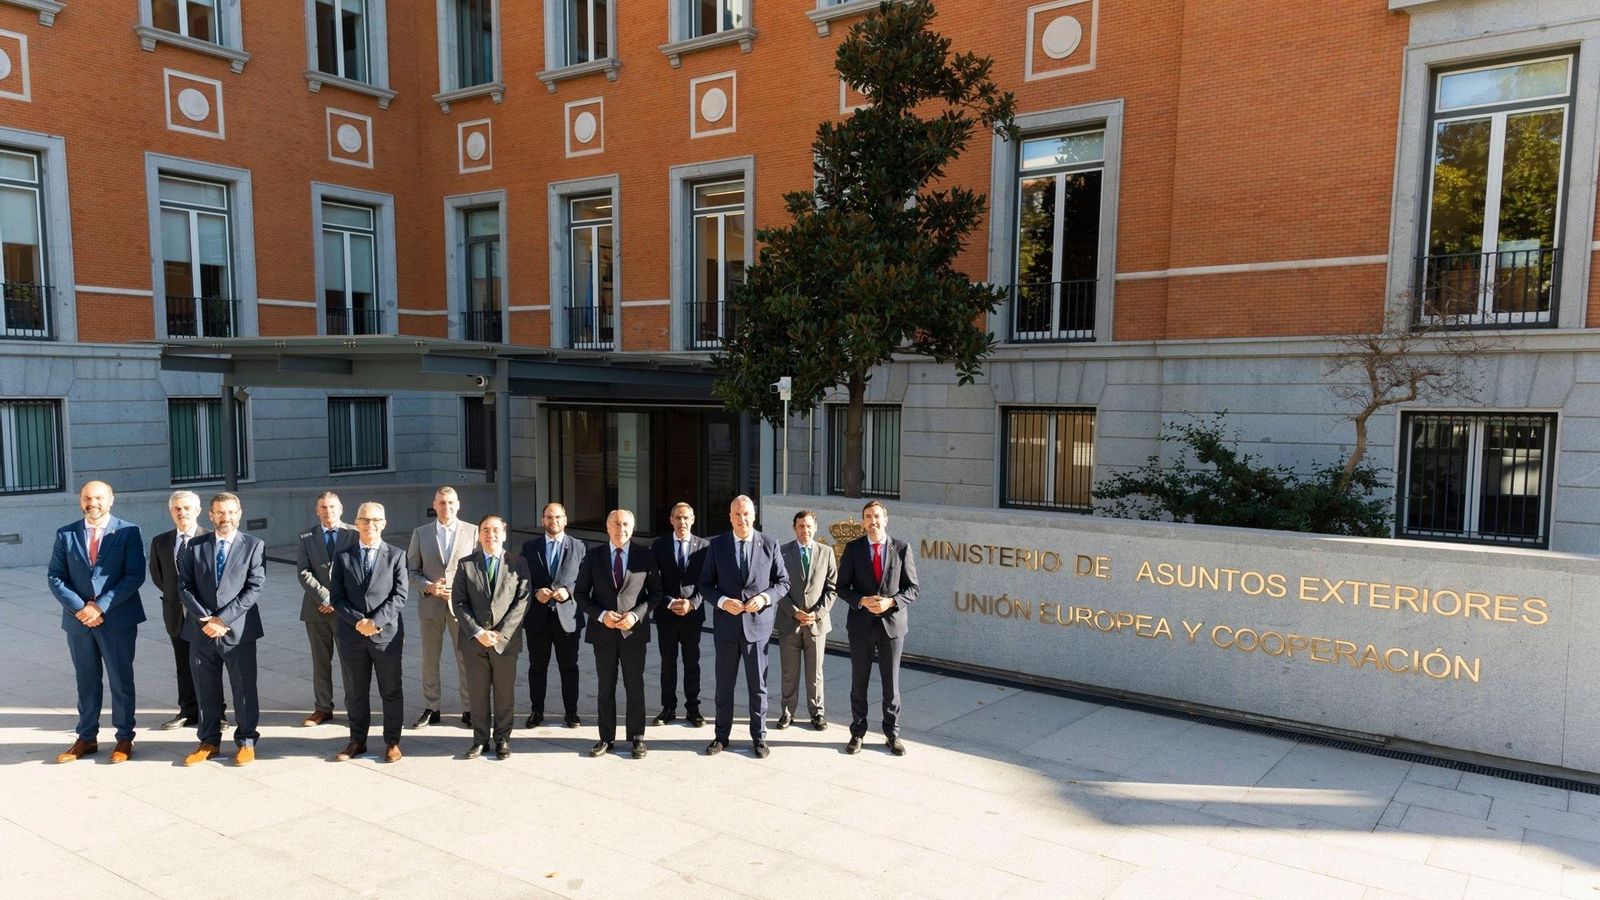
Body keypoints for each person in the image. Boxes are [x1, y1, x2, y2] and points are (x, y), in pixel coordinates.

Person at [47, 480, 146, 764]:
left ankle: (125, 738)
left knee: (120, 680)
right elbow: (55, 576)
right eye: (87, 498)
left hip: (118, 619)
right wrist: (82, 608)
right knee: (86, 681)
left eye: (99, 497)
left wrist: (100, 606)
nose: (93, 503)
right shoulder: (66, 534)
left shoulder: (128, 531)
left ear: (111, 500)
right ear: (81, 501)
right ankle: (86, 738)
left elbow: (134, 575)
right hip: (79, 622)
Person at [178, 491, 266, 766]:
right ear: (211, 515)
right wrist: (206, 618)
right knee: (206, 689)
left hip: (237, 631)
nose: (225, 517)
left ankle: (247, 740)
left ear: (239, 514)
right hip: (201, 631)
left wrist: (222, 620)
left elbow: (254, 587)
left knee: (243, 688)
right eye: (219, 512)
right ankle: (208, 741)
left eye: (230, 512)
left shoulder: (253, 545)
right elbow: (184, 585)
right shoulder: (195, 545)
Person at [697, 495, 789, 758]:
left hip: (757, 628)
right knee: (724, 686)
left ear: (754, 515)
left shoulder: (770, 544)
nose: (742, 518)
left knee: (757, 687)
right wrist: (723, 602)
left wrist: (765, 598)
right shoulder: (717, 545)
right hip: (726, 628)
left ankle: (759, 738)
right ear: (730, 517)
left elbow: (783, 582)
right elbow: (705, 584)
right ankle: (721, 736)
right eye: (737, 514)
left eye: (746, 513)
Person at [574, 508, 659, 759]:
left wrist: (635, 615)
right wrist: (601, 616)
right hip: (604, 633)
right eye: (615, 524)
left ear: (632, 528)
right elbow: (580, 594)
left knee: (635, 686)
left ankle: (637, 737)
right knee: (605, 687)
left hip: (633, 633)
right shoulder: (593, 556)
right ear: (607, 527)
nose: (620, 528)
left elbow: (655, 594)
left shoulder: (645, 556)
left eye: (625, 524)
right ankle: (605, 738)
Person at [835, 500, 918, 756]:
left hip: (891, 626)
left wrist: (891, 602)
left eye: (877, 516)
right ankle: (857, 732)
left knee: (890, 684)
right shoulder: (853, 549)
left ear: (886, 519)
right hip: (861, 626)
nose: (873, 521)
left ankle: (892, 733)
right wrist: (861, 600)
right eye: (868, 517)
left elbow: (912, 588)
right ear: (863, 521)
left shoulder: (902, 548)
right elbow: (841, 588)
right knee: (859, 681)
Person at [330, 501, 408, 763]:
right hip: (351, 636)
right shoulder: (342, 556)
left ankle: (393, 742)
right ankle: (357, 740)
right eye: (365, 520)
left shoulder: (396, 555)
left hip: (385, 635)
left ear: (384, 524)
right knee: (355, 691)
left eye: (376, 520)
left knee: (391, 689)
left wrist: (374, 622)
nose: (370, 525)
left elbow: (400, 595)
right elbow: (337, 597)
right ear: (356, 523)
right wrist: (358, 622)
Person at [453, 515, 531, 760]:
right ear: (479, 535)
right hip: (474, 642)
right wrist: (478, 632)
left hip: (505, 642)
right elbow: (459, 602)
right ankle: (479, 740)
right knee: (477, 694)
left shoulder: (518, 563)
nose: (491, 534)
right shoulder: (466, 564)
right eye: (485, 530)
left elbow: (522, 601)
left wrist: (500, 633)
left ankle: (502, 738)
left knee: (504, 693)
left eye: (496, 530)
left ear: (504, 534)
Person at [406, 486, 477, 729]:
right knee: (430, 658)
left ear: (459, 505)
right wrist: (429, 587)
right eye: (442, 503)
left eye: (451, 502)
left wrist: (460, 590)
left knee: (465, 659)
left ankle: (469, 709)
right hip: (431, 605)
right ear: (434, 505)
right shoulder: (421, 533)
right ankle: (431, 708)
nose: (446, 507)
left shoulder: (473, 532)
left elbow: (478, 571)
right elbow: (412, 571)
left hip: (462, 607)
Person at [148, 489, 218, 731]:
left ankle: (216, 713)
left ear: (198, 511)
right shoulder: (161, 541)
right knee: (183, 664)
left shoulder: (211, 538)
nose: (182, 512)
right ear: (171, 512)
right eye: (177, 508)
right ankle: (188, 711)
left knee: (210, 664)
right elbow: (160, 577)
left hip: (205, 614)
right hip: (176, 614)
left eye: (187, 508)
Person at [520, 502, 584, 729]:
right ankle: (536, 711)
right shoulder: (529, 547)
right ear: (542, 520)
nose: (553, 521)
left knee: (569, 668)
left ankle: (571, 712)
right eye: (548, 517)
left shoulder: (579, 547)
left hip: (568, 618)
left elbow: (586, 580)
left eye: (557, 517)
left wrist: (569, 591)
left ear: (565, 519)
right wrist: (536, 592)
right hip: (538, 618)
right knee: (537, 668)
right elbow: (520, 579)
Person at [295, 491, 356, 727]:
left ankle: (354, 707)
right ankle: (322, 708)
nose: (328, 511)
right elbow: (303, 571)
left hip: (345, 610)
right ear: (317, 510)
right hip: (316, 609)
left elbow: (356, 571)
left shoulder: (353, 534)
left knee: (349, 661)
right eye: (323, 507)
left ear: (340, 509)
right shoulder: (306, 536)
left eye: (332, 507)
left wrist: (336, 600)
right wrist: (324, 597)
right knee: (321, 661)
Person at [777, 509, 837, 731]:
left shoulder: (826, 552)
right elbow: (777, 587)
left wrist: (817, 613)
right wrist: (794, 611)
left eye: (809, 526)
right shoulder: (782, 552)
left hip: (816, 624)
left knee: (815, 672)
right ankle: (786, 712)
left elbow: (832, 588)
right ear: (795, 528)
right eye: (801, 526)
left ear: (815, 528)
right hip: (789, 622)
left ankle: (817, 713)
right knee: (789, 672)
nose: (805, 530)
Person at [649, 503, 708, 727]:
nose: (682, 522)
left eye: (686, 518)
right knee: (668, 663)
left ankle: (693, 708)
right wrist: (670, 602)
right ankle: (668, 708)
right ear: (671, 520)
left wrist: (692, 603)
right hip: (667, 615)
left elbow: (707, 581)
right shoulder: (659, 546)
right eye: (678, 518)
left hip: (692, 616)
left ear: (692, 520)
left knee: (692, 662)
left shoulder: (704, 547)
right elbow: (652, 581)